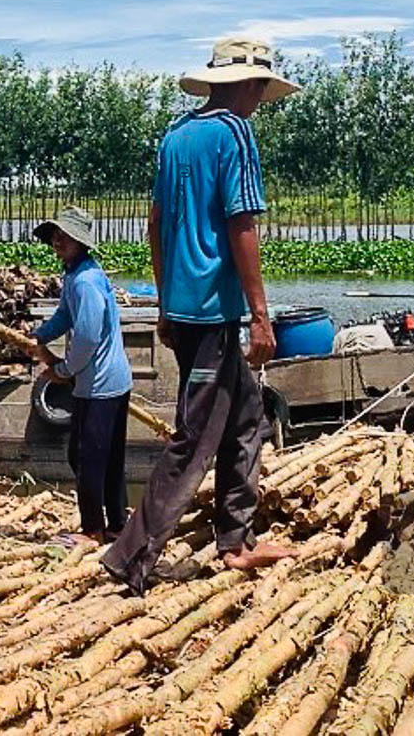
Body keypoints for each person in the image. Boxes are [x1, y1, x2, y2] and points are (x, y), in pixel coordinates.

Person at [101, 36, 301, 595]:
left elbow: (155, 225)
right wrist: (261, 316)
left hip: (186, 309)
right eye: (261, 85)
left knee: (248, 419)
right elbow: (242, 225)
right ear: (249, 85)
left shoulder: (176, 136)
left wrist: (165, 304)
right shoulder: (234, 134)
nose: (262, 96)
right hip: (214, 312)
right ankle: (129, 555)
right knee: (194, 438)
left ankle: (235, 541)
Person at [31, 205, 133, 545]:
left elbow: (87, 335)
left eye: (66, 236)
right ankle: (116, 522)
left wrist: (63, 370)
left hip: (100, 385)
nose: (58, 241)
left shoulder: (87, 281)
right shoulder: (76, 274)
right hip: (106, 382)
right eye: (56, 235)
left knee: (87, 457)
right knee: (104, 455)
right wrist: (38, 336)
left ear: (81, 242)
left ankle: (93, 529)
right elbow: (65, 316)